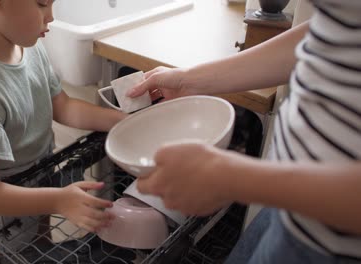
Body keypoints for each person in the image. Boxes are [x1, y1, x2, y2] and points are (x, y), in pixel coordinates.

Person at [127, 0, 361, 262]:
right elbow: (328, 35)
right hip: (293, 200)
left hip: (336, 240)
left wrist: (234, 179)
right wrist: (189, 79)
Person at [0, 0, 126, 257]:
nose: (50, 17)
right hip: (1, 207)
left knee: (39, 247)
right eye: (41, 4)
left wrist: (120, 120)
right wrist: (58, 199)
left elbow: (63, 107)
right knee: (14, 257)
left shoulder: (31, 48)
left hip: (39, 176)